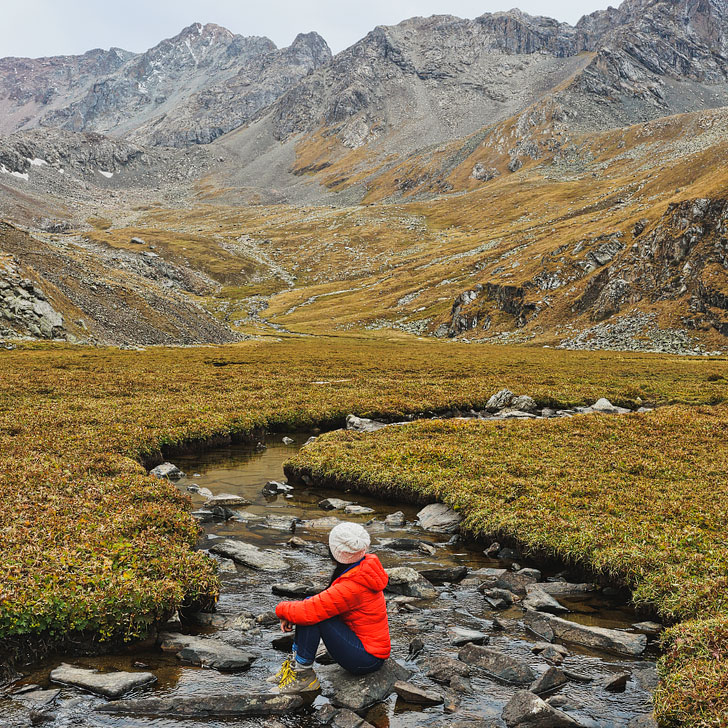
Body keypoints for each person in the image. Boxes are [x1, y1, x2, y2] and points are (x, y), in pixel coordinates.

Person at [271, 521, 391, 693]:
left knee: (312, 615)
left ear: (337, 552)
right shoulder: (362, 567)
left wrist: (282, 610)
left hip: (367, 659)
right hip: (365, 647)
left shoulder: (352, 585)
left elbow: (308, 612)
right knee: (311, 603)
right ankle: (294, 667)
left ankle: (303, 676)